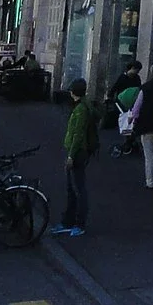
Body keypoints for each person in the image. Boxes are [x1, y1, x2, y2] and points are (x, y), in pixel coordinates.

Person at [52, 79, 98, 237]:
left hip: (78, 152)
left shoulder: (80, 110)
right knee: (72, 188)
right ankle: (68, 221)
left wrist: (71, 155)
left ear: (73, 92)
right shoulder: (84, 106)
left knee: (77, 189)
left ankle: (78, 223)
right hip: (79, 151)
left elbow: (78, 134)